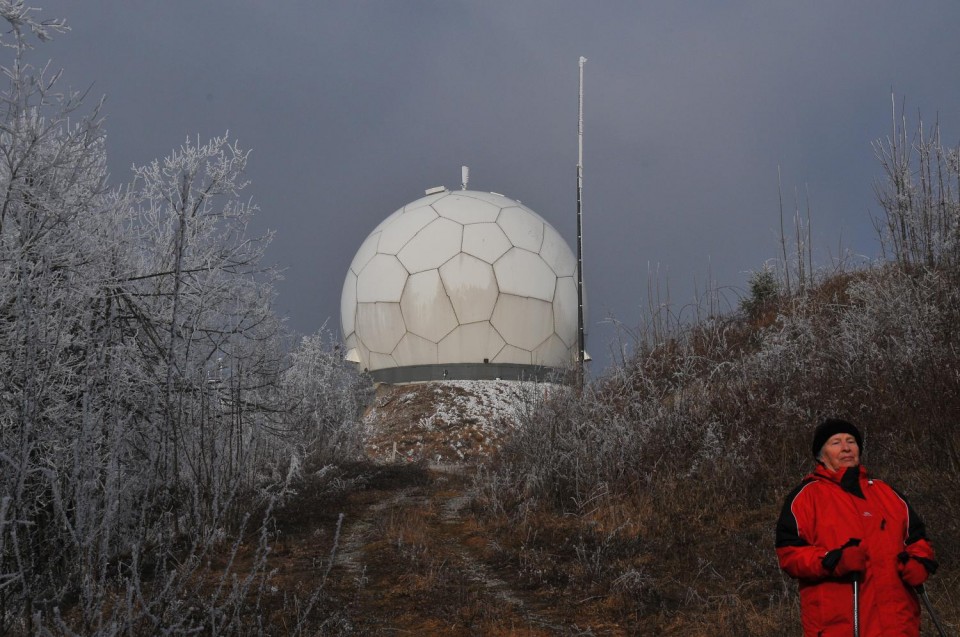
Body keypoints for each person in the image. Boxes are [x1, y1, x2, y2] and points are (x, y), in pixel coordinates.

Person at [775, 418, 937, 637]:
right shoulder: (806, 497)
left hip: (899, 625)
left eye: (851, 441)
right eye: (836, 442)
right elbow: (789, 554)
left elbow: (918, 540)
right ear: (821, 455)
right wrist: (832, 560)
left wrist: (918, 564)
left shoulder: (887, 493)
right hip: (840, 626)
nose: (846, 447)